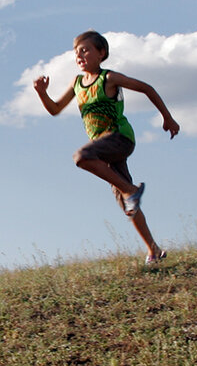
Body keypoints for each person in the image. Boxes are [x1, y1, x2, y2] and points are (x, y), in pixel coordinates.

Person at [33, 30, 180, 265]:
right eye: (76, 53)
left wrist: (168, 118)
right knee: (126, 203)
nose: (80, 56)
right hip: (102, 147)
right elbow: (55, 109)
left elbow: (147, 88)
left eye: (85, 50)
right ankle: (153, 250)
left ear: (101, 53)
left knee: (82, 156)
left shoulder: (109, 78)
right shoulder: (77, 83)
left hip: (119, 137)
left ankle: (131, 190)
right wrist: (42, 93)